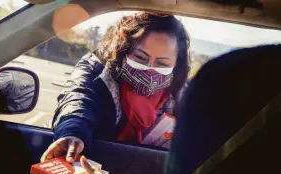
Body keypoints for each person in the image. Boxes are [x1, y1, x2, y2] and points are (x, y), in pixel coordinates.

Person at [41, 12, 190, 163]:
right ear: (124, 50)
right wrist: (72, 132)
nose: (149, 69)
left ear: (176, 65)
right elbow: (79, 97)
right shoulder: (97, 70)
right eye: (140, 58)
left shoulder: (182, 94)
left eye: (162, 64)